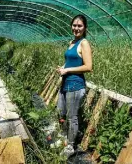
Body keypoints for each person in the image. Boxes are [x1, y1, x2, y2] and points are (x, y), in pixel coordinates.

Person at [56, 14, 92, 157]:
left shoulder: (84, 43)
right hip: (65, 83)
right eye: (74, 25)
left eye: (79, 26)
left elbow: (88, 66)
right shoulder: (72, 42)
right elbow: (71, 61)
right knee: (60, 112)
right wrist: (63, 67)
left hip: (76, 85)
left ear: (84, 28)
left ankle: (70, 146)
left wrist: (68, 70)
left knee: (72, 117)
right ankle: (64, 139)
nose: (76, 28)